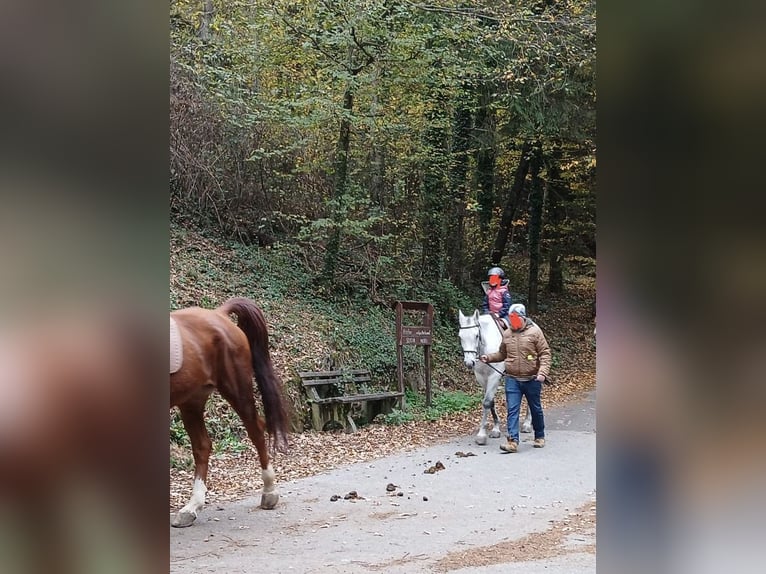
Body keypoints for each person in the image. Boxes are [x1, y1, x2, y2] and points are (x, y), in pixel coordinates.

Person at [480, 303, 551, 452]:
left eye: (515, 319)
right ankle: (512, 441)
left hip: (532, 378)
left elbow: (545, 354)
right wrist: (489, 357)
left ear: (523, 318)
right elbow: (502, 354)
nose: (513, 322)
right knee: (512, 410)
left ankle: (539, 435)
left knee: (535, 408)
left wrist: (542, 373)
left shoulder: (535, 332)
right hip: (512, 379)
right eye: (511, 319)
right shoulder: (507, 334)